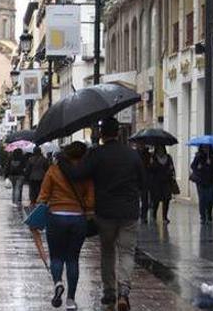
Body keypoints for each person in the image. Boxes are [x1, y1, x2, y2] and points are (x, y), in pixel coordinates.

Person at [58, 117, 145, 311]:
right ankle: (124, 292)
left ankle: (109, 291)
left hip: (105, 212)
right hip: (129, 212)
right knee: (127, 252)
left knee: (108, 251)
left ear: (102, 134)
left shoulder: (97, 154)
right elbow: (143, 181)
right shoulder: (132, 155)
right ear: (118, 132)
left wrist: (62, 161)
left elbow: (77, 174)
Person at [37, 141, 94, 310]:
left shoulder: (54, 170)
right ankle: (70, 300)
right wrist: (86, 208)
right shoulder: (86, 172)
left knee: (56, 257)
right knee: (72, 258)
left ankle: (58, 283)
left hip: (56, 217)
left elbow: (43, 195)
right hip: (78, 218)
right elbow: (91, 199)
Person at [190, 146, 213, 224]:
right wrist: (198, 167)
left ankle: (209, 214)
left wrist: (211, 164)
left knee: (210, 199)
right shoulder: (198, 156)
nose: (205, 149)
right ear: (201, 147)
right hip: (200, 180)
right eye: (204, 147)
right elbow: (192, 166)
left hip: (210, 181)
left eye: (207, 147)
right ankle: (202, 216)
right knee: (202, 199)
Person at [150, 145, 176, 224]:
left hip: (166, 182)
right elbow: (151, 170)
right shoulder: (153, 157)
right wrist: (152, 163)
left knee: (166, 200)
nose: (160, 151)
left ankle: (165, 217)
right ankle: (154, 215)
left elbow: (172, 168)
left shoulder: (168, 157)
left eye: (162, 149)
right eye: (159, 149)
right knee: (156, 200)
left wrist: (171, 170)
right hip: (156, 183)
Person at [137, 148, 152, 221]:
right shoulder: (148, 155)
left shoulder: (136, 154)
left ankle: (143, 214)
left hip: (142, 179)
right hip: (143, 178)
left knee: (143, 197)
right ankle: (143, 215)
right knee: (144, 197)